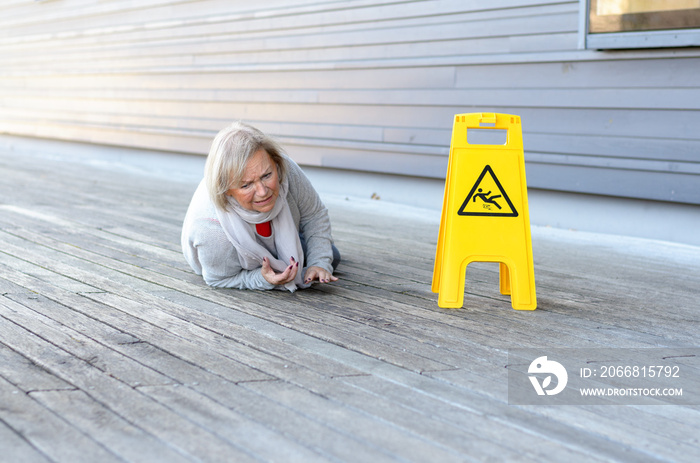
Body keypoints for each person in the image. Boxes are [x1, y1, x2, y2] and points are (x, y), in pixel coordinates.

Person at [181, 121, 340, 291]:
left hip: (273, 241)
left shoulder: (285, 168)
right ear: (226, 190)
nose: (263, 192)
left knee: (331, 256)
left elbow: (313, 214)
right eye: (246, 185)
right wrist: (262, 279)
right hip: (226, 257)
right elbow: (218, 279)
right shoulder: (210, 230)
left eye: (267, 175)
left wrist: (319, 262)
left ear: (276, 163)